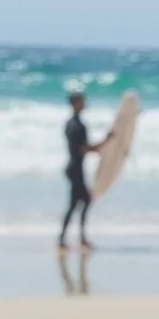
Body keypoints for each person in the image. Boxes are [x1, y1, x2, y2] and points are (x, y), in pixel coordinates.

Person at [60, 91, 107, 248]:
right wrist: (106, 142)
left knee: (81, 202)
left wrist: (100, 146)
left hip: (74, 168)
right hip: (75, 170)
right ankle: (70, 239)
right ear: (75, 104)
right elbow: (84, 149)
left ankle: (76, 238)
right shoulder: (78, 126)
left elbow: (83, 149)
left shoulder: (70, 124)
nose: (84, 104)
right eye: (81, 101)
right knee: (78, 203)